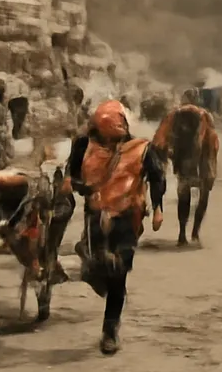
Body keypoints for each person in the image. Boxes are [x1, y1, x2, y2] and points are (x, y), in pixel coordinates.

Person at [68, 100, 166, 354]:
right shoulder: (83, 145)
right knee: (96, 267)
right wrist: (81, 188)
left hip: (127, 217)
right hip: (96, 216)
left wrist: (158, 209)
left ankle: (109, 331)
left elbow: (157, 178)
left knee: (118, 271)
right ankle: (92, 263)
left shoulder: (141, 149)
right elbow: (74, 174)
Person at [152, 90, 220, 245]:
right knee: (203, 197)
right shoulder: (205, 115)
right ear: (197, 99)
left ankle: (182, 234)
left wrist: (167, 157)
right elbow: (213, 140)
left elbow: (160, 140)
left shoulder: (174, 115)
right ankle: (195, 233)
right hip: (202, 163)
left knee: (184, 195)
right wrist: (212, 161)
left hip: (183, 162)